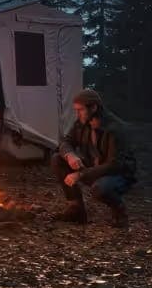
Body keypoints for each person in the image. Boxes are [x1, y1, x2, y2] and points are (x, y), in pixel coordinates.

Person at [52, 89, 137, 228]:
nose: (77, 114)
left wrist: (81, 174)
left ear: (94, 107)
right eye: (76, 110)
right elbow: (65, 142)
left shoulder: (115, 128)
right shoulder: (82, 123)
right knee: (57, 159)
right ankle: (76, 209)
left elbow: (114, 164)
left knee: (101, 188)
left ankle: (119, 213)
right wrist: (70, 155)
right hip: (94, 168)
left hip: (118, 174)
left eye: (80, 110)